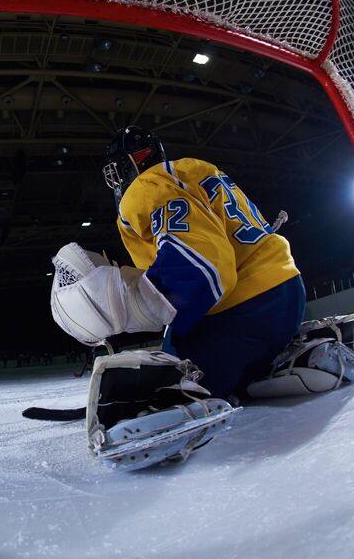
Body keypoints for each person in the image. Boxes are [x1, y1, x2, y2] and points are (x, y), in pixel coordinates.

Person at [100, 125, 306, 401]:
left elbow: (204, 266)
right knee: (223, 365)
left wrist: (137, 307)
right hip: (287, 291)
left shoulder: (146, 186)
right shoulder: (195, 169)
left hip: (243, 310)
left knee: (169, 389)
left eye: (115, 173)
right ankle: (286, 364)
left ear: (129, 164)